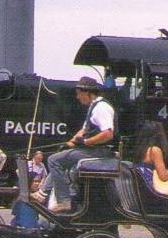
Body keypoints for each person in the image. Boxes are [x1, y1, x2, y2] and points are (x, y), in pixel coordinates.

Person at [35, 76, 116, 213]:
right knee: (58, 157)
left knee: (54, 160)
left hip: (99, 151)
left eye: (79, 93)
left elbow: (108, 134)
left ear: (87, 93)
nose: (77, 97)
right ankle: (42, 194)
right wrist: (71, 142)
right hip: (94, 150)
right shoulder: (94, 106)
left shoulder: (101, 108)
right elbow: (84, 130)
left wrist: (85, 142)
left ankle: (63, 201)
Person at [131, 121, 168, 190]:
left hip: (139, 186)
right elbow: (163, 176)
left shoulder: (141, 149)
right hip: (150, 189)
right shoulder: (154, 150)